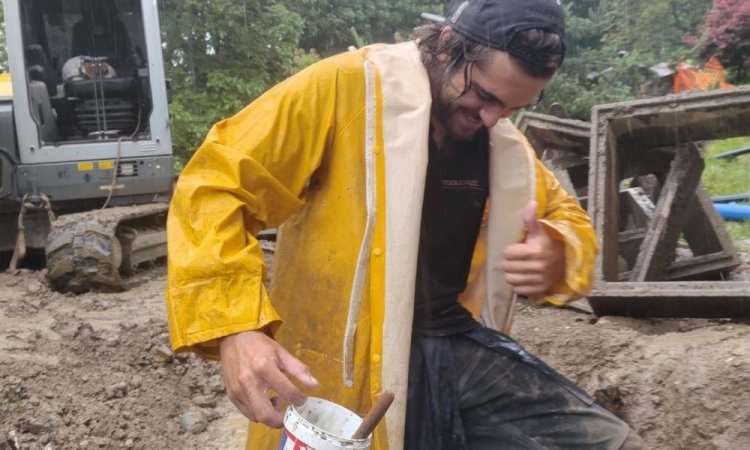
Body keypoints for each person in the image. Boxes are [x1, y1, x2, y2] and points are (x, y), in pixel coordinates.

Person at [166, 0, 644, 448]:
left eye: (512, 109)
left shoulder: (501, 144)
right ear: (447, 43)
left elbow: (564, 215)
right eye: (483, 95)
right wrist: (235, 330)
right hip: (341, 365)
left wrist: (558, 251)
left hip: (453, 346)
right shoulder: (347, 88)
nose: (493, 117)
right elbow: (215, 186)